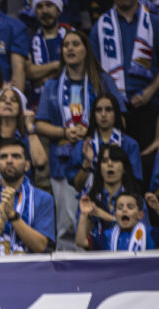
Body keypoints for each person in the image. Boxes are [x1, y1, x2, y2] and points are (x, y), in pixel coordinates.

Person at [34, 29, 125, 250]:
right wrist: (64, 133)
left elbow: (120, 119)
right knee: (66, 226)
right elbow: (39, 124)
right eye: (66, 45)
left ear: (86, 50)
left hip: (101, 165)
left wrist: (91, 131)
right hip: (63, 165)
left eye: (76, 44)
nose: (70, 49)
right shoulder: (52, 86)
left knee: (101, 222)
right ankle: (69, 276)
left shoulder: (102, 81)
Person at [91, 0, 159, 164]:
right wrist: (116, 103)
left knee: (147, 166)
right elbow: (95, 72)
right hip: (115, 113)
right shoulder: (99, 27)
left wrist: (150, 91)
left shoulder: (154, 22)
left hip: (150, 110)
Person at [0, 137, 54, 255]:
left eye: (16, 156)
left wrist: (12, 216)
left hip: (29, 271)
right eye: (3, 157)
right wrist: (1, 223)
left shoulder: (44, 199)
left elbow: (41, 246)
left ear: (27, 165)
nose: (9, 160)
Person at [70, 94, 143, 191]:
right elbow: (77, 186)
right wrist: (87, 163)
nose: (103, 114)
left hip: (121, 202)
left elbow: (135, 184)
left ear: (116, 113)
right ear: (94, 114)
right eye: (99, 110)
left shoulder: (130, 145)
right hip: (89, 202)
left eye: (108, 109)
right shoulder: (83, 145)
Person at [79, 188, 154, 250]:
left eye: (130, 207)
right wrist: (83, 214)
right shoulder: (108, 236)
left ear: (140, 215)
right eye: (120, 207)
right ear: (115, 215)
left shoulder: (149, 234)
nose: (124, 210)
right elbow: (81, 242)